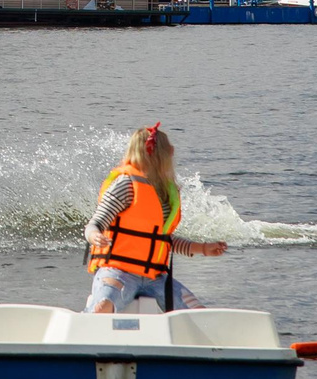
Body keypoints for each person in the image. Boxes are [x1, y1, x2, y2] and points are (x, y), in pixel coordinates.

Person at [83, 123, 228, 313]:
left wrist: (202, 248)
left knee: (197, 312)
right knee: (103, 307)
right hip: (118, 272)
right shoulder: (125, 185)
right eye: (169, 150)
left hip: (156, 278)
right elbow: (95, 223)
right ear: (158, 155)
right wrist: (94, 236)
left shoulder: (165, 192)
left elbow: (163, 240)